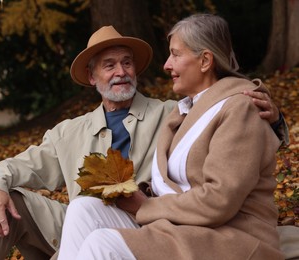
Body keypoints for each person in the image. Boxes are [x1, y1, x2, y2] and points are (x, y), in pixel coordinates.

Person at [0, 25, 285, 259]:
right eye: (109, 65)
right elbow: (18, 165)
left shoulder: (171, 113)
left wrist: (272, 118)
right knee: (5, 202)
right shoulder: (69, 132)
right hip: (81, 221)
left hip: (152, 219)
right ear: (91, 76)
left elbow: (230, 123)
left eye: (126, 63)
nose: (120, 72)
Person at [56, 14, 288, 260]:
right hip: (177, 224)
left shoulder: (239, 107)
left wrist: (145, 206)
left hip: (226, 236)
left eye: (176, 54)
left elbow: (219, 200)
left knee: (103, 244)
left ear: (205, 60)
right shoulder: (182, 111)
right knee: (83, 208)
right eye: (109, 66)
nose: (166, 65)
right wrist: (139, 194)